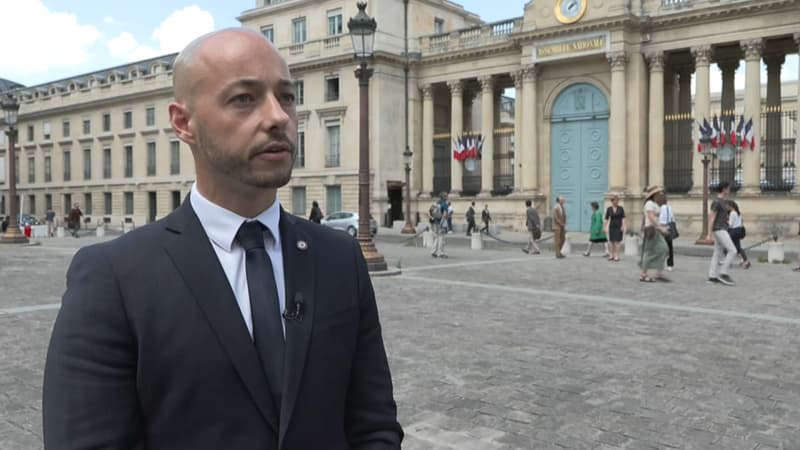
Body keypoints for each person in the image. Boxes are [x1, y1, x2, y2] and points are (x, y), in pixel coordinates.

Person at [43, 29, 402, 450]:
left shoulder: (340, 257)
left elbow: (373, 425)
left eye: (287, 96)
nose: (278, 117)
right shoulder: (112, 278)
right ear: (183, 122)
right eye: (244, 99)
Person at [706, 181, 737, 286]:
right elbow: (711, 218)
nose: (729, 190)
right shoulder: (717, 202)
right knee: (733, 250)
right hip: (719, 229)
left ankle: (712, 276)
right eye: (728, 188)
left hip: (721, 228)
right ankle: (723, 273)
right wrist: (709, 234)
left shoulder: (723, 201)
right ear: (724, 189)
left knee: (717, 253)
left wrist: (726, 218)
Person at [638, 186, 670, 282]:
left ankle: (658, 272)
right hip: (651, 229)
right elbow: (651, 217)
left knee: (664, 249)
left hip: (656, 230)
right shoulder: (649, 204)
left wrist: (661, 227)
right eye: (658, 193)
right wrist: (660, 227)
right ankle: (644, 274)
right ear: (654, 194)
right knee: (648, 251)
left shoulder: (654, 203)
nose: (660, 194)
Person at [727, 201, 750, 269]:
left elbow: (730, 225)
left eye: (727, 206)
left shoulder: (732, 213)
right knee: (737, 247)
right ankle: (745, 260)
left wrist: (726, 221)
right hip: (739, 231)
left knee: (727, 245)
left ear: (731, 206)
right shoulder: (738, 213)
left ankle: (728, 262)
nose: (726, 208)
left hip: (733, 231)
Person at [604, 195, 625, 262]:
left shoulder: (621, 208)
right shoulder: (609, 209)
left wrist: (623, 226)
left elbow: (623, 218)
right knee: (612, 241)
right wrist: (604, 226)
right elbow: (606, 218)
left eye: (617, 200)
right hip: (612, 226)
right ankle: (611, 255)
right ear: (612, 201)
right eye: (615, 201)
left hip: (619, 226)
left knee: (617, 241)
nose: (616, 202)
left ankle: (617, 256)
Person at [657, 195, 676, 271]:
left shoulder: (659, 209)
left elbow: (659, 219)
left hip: (662, 228)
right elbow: (672, 218)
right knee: (670, 247)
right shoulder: (669, 208)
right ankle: (670, 264)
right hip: (668, 228)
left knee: (660, 246)